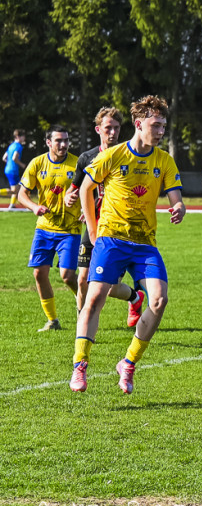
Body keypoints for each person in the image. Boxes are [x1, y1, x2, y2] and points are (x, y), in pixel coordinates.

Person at [70, 95, 186, 395]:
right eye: (155, 125)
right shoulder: (114, 155)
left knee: (159, 301)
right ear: (139, 124)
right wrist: (94, 231)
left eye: (163, 125)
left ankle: (128, 363)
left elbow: (175, 196)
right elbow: (86, 187)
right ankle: (80, 364)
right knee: (94, 298)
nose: (161, 131)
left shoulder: (164, 160)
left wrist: (179, 207)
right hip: (111, 239)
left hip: (145, 243)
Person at [64, 107, 146, 322]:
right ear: (98, 129)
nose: (112, 132)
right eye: (108, 128)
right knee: (82, 278)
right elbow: (75, 189)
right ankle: (83, 323)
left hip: (116, 227)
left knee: (109, 287)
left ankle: (135, 297)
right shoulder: (87, 158)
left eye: (116, 128)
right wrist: (70, 199)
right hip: (92, 224)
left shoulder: (127, 156)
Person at [17, 125, 80, 331]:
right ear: (48, 143)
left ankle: (84, 300)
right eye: (59, 141)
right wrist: (34, 207)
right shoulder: (37, 163)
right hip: (44, 228)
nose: (63, 144)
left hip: (70, 229)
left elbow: (94, 189)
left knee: (67, 276)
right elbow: (21, 194)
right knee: (39, 274)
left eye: (66, 140)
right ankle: (52, 321)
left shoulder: (77, 164)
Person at [5, 129, 28, 209]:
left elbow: (4, 158)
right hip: (13, 170)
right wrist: (22, 165)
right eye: (23, 136)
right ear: (18, 137)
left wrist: (9, 164)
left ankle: (12, 205)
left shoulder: (11, 145)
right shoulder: (18, 146)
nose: (24, 138)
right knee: (15, 190)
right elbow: (14, 158)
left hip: (8, 169)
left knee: (17, 188)